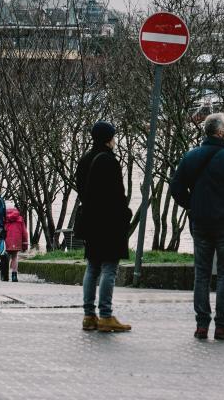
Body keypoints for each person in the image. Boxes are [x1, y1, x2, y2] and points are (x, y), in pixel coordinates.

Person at [171, 113, 224, 341]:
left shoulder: (191, 157)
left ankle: (201, 325)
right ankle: (221, 325)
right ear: (220, 132)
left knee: (201, 274)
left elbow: (176, 188)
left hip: (199, 223)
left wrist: (192, 205)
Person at [75, 121, 132, 333]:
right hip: (109, 222)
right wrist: (125, 214)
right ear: (109, 138)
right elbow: (117, 194)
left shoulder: (84, 160)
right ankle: (106, 315)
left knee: (92, 267)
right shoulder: (108, 161)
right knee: (109, 267)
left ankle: (89, 315)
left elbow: (81, 190)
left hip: (91, 221)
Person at [4, 206, 28, 282]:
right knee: (14, 257)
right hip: (16, 240)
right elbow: (24, 233)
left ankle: (5, 275)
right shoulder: (20, 219)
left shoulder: (4, 218)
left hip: (6, 240)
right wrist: (25, 244)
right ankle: (14, 275)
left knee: (5, 257)